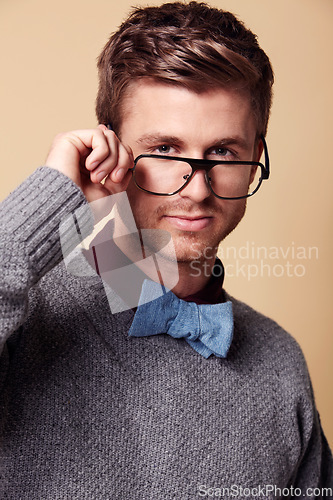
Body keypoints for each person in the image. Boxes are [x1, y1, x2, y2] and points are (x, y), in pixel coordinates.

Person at [0, 1, 332, 498]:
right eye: (165, 150)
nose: (196, 190)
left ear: (255, 158)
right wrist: (51, 200)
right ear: (105, 149)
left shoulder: (280, 363)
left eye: (222, 151)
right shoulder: (30, 316)